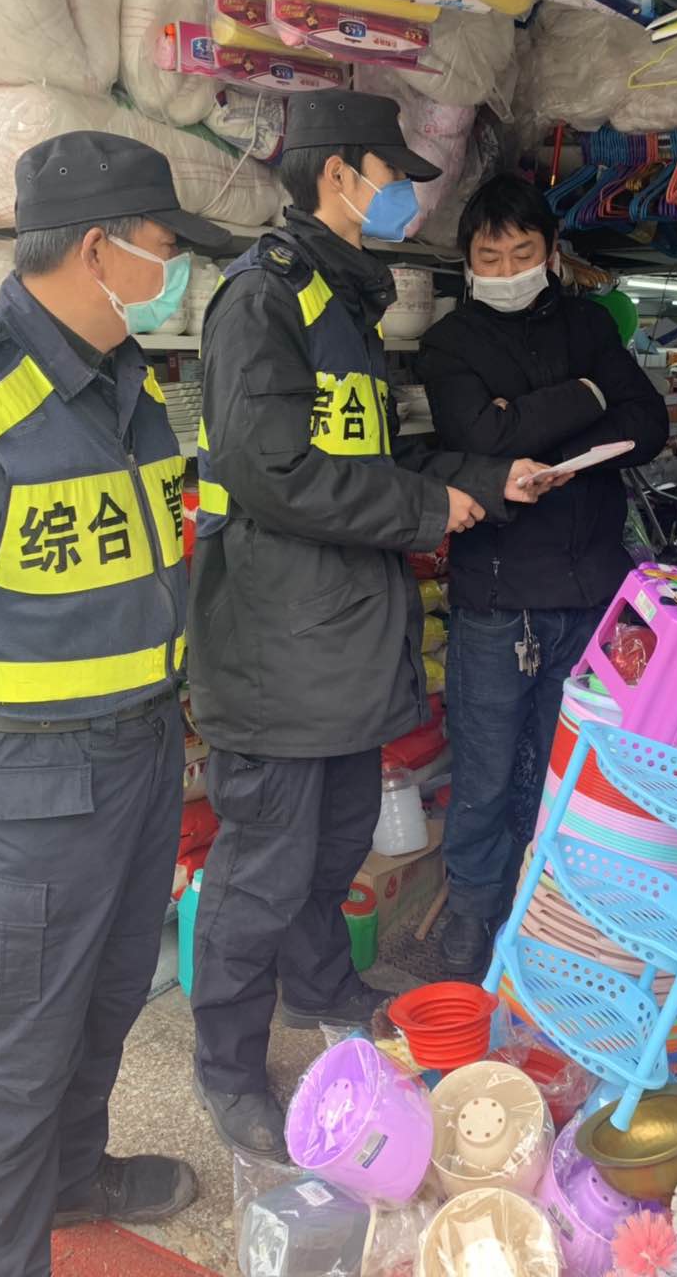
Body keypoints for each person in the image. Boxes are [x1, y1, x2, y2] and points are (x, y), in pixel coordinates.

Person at [0, 132, 225, 1277]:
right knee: (20, 1043)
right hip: (28, 780)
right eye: (165, 248)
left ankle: (74, 1175)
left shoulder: (129, 383)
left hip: (142, 751)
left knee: (108, 997)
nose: (177, 273)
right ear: (100, 249)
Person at [187, 92, 562, 1159]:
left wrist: (482, 479)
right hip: (279, 645)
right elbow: (272, 472)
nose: (408, 194)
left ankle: (320, 988)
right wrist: (423, 509)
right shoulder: (263, 300)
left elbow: (377, 463)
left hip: (343, 639)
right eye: (393, 173)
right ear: (339, 175)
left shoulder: (341, 301)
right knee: (261, 870)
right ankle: (227, 1066)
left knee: (332, 842)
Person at [417, 173, 669, 974]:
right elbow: (481, 437)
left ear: (551, 252)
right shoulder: (449, 343)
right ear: (467, 261)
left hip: (594, 595)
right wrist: (589, 396)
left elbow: (648, 423)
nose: (507, 269)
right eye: (489, 257)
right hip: (497, 599)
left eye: (522, 252)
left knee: (573, 769)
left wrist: (533, 431)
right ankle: (471, 918)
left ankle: (545, 914)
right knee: (486, 771)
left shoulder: (589, 324)